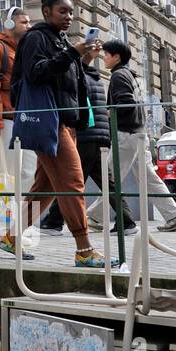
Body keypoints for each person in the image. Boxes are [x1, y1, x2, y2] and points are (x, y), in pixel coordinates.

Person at [8, 0, 111, 268]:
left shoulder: (61, 41)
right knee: (72, 182)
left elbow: (69, 81)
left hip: (64, 121)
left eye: (71, 12)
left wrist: (85, 57)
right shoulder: (36, 38)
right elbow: (36, 72)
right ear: (46, 11)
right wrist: (73, 53)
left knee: (47, 187)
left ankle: (12, 237)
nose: (68, 16)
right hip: (49, 120)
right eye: (62, 11)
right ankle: (84, 249)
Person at [92, 40, 176, 233]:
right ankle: (175, 216)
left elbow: (125, 103)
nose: (104, 58)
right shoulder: (129, 75)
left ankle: (94, 217)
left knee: (111, 177)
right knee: (148, 178)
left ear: (116, 56)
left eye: (107, 54)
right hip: (138, 133)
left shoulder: (119, 76)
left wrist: (109, 112)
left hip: (126, 134)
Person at [0, 6, 38, 249]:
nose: (29, 26)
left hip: (20, 119)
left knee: (26, 173)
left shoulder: (19, 52)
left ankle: (16, 228)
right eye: (24, 22)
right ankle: (3, 231)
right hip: (4, 120)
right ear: (10, 24)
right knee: (4, 178)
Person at [43, 60, 126, 234]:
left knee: (70, 180)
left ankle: (53, 221)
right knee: (106, 182)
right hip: (101, 135)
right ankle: (127, 220)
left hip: (86, 136)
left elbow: (76, 107)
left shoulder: (80, 79)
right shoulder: (97, 79)